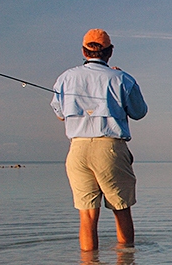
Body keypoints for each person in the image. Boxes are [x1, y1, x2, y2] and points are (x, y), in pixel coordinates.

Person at [51, 29, 148, 251]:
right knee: (121, 209)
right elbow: (139, 112)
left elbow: (60, 113)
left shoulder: (66, 78)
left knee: (87, 216)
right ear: (110, 52)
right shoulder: (122, 78)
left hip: (77, 149)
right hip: (110, 148)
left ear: (84, 51)